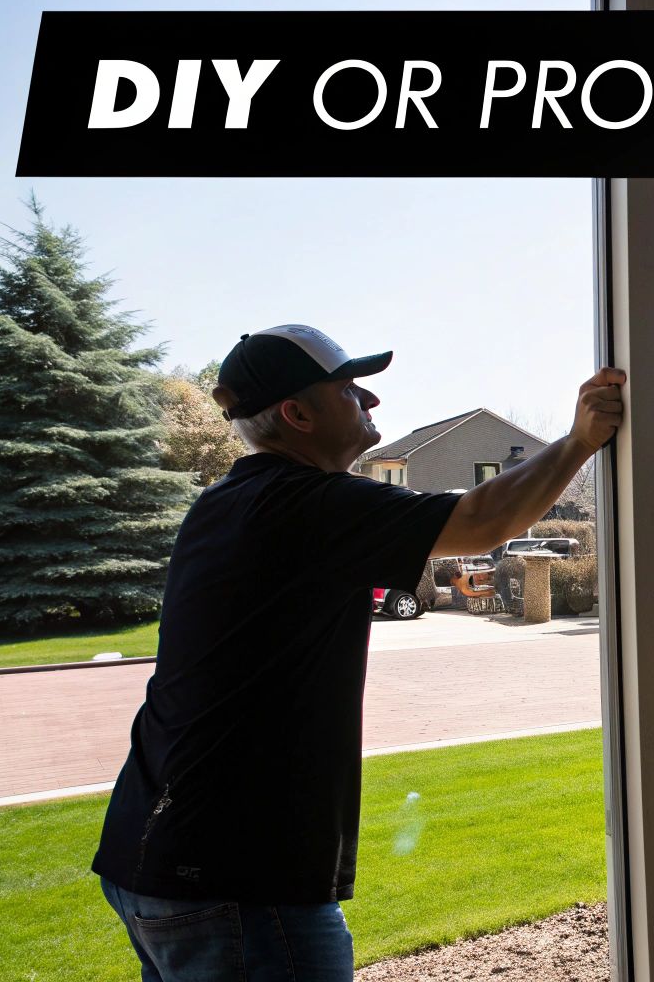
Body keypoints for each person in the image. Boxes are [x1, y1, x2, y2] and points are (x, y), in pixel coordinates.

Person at [91, 323, 624, 980]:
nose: (369, 402)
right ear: (298, 413)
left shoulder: (227, 501)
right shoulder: (307, 503)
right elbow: (483, 520)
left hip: (153, 855)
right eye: (349, 388)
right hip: (238, 879)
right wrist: (578, 443)